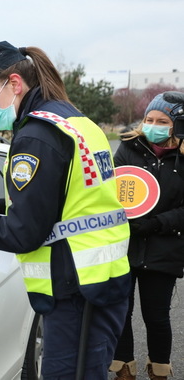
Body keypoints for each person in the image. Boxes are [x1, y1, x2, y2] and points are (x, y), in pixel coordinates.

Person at [0, 41, 131, 379]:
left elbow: (23, 233)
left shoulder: (36, 136)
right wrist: (6, 205)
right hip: (104, 281)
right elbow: (75, 195)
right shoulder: (77, 123)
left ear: (14, 84)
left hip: (75, 291)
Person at [109, 93, 184, 380]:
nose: (153, 125)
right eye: (149, 119)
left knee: (157, 317)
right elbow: (113, 186)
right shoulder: (129, 147)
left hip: (165, 248)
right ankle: (124, 369)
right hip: (125, 245)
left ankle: (160, 372)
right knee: (120, 313)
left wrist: (156, 224)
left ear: (176, 125)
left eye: (162, 121)